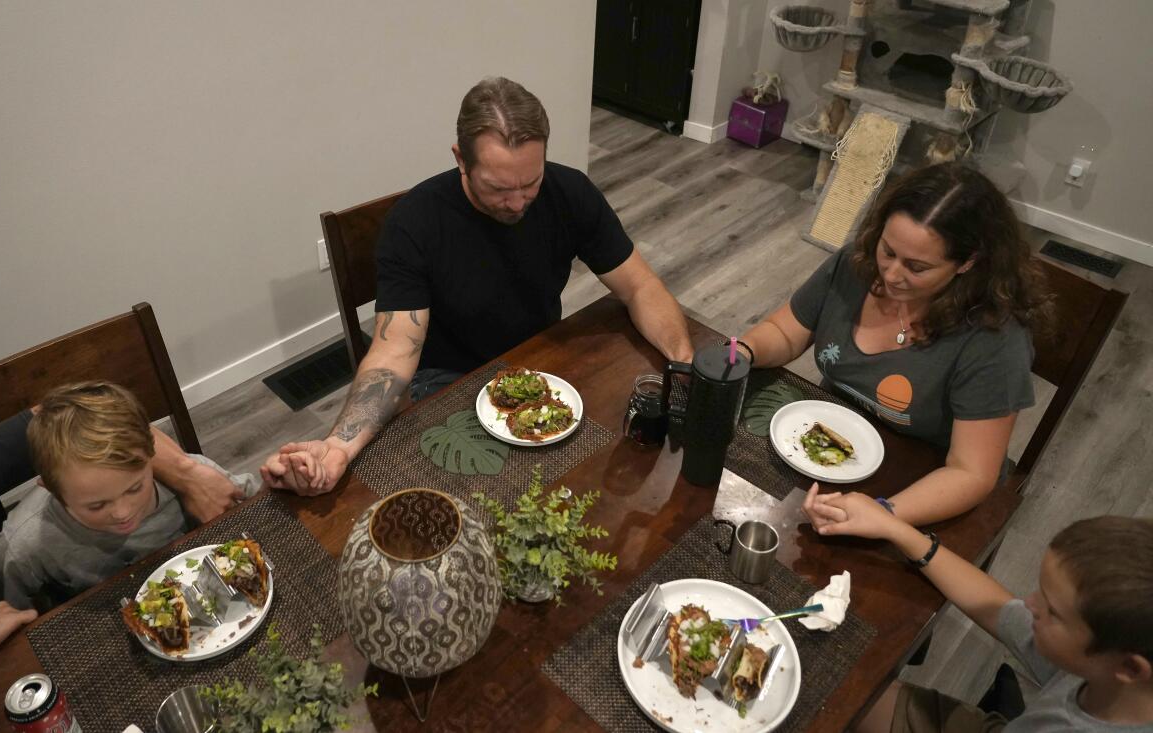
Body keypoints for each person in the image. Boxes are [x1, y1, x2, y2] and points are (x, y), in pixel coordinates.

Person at [261, 76, 692, 494]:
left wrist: (683, 363)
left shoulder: (569, 192)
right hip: (446, 382)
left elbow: (640, 287)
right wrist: (338, 445)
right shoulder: (415, 224)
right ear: (460, 160)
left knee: (613, 471)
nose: (520, 200)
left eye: (531, 182)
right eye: (499, 188)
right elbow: (394, 353)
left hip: (540, 361)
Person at [742, 162, 1050, 527]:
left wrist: (884, 514)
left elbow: (971, 473)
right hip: (828, 450)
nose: (890, 274)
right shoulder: (856, 264)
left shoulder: (994, 339)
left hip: (925, 481)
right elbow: (784, 332)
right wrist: (743, 351)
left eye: (916, 267)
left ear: (967, 263)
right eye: (888, 251)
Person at [806, 487, 1153, 732]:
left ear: (1130, 668)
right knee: (837, 690)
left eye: (1052, 611)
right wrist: (894, 528)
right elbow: (999, 610)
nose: (1030, 604)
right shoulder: (1107, 668)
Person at [0, 401, 242, 633]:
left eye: (134, 488)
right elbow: (10, 623)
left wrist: (278, 479)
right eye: (96, 505)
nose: (123, 512)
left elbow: (252, 506)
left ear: (153, 455)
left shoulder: (191, 477)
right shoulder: (21, 548)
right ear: (50, 488)